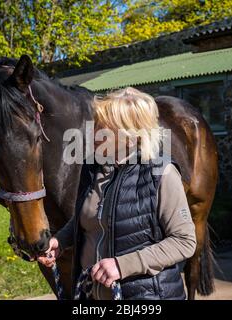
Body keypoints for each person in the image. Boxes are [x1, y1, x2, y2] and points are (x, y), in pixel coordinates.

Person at [38, 87, 196, 300]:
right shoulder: (93, 167)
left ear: (130, 136)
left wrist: (121, 266)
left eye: (103, 127)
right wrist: (61, 241)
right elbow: (91, 216)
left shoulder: (162, 173)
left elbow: (184, 241)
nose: (93, 133)